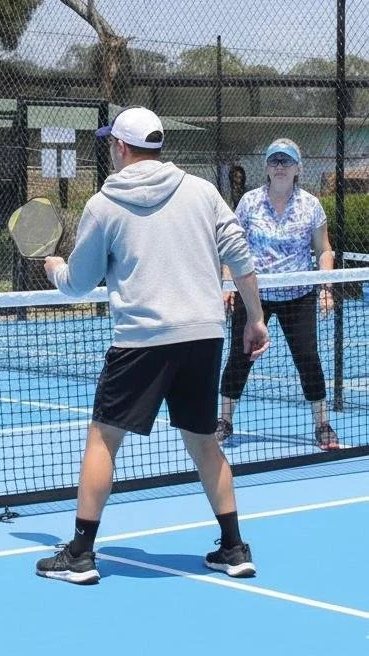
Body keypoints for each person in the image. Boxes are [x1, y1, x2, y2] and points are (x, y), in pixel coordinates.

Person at [36, 106, 270, 584]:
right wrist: (256, 317)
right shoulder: (203, 192)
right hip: (203, 335)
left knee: (103, 438)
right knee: (205, 442)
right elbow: (240, 255)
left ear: (121, 147)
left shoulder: (104, 204)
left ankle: (80, 553)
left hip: (141, 341)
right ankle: (233, 548)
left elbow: (79, 283)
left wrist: (55, 269)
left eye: (111, 144)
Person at [216, 139, 339, 450]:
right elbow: (233, 247)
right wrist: (227, 282)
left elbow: (323, 250)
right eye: (275, 161)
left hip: (299, 295)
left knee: (308, 359)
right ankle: (224, 421)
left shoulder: (311, 205)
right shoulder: (249, 202)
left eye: (286, 161)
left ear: (298, 168)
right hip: (253, 293)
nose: (280, 166)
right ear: (267, 168)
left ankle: (322, 425)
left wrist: (326, 288)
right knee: (239, 358)